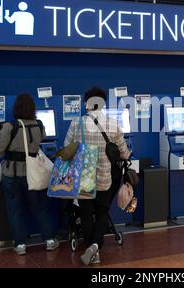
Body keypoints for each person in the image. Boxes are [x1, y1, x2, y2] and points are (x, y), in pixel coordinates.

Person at [0, 93, 59, 255]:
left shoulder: (9, 127)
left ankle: (20, 244)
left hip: (12, 175)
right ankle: (50, 239)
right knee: (39, 208)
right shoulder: (39, 125)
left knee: (15, 210)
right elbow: (42, 140)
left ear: (15, 108)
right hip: (33, 174)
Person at [64, 86, 131, 265]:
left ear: (87, 103)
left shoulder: (76, 123)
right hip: (104, 178)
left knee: (85, 214)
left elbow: (66, 149)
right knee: (102, 212)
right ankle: (95, 245)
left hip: (84, 178)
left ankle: (92, 251)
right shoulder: (112, 124)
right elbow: (124, 152)